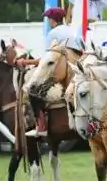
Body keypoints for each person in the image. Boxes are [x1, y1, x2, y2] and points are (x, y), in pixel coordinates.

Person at [20, 7, 81, 138]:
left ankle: (41, 125)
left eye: (48, 19)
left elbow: (45, 60)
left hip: (60, 73)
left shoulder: (53, 34)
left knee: (33, 90)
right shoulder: (73, 30)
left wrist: (25, 62)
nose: (48, 21)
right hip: (78, 72)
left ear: (52, 20)